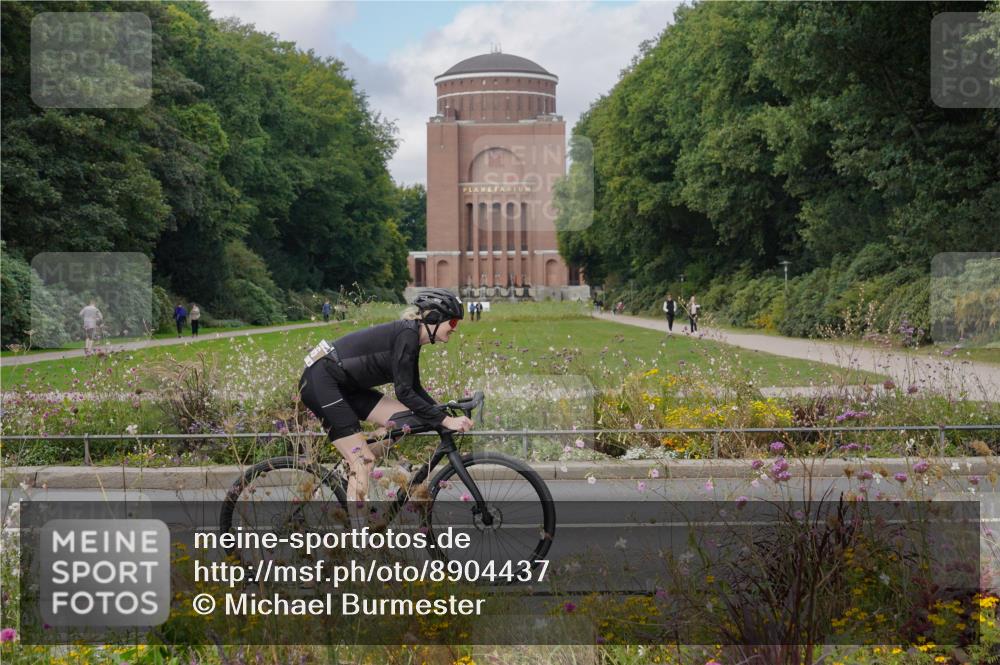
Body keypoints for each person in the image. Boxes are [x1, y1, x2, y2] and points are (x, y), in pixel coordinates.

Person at [298, 288, 473, 513]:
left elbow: (414, 388)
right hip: (321, 381)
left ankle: (351, 468)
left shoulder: (412, 338)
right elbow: (404, 392)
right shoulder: (407, 335)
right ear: (434, 319)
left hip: (346, 385)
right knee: (365, 460)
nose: (454, 329)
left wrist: (443, 414)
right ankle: (359, 542)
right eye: (454, 323)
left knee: (402, 421)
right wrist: (445, 421)